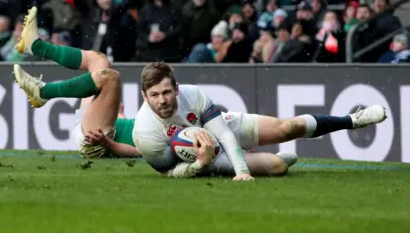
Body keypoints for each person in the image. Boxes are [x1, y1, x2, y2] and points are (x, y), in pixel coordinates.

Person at [133, 62, 387, 179]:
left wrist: (242, 172)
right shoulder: (145, 133)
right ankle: (274, 159)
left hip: (222, 131)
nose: (162, 100)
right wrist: (200, 164)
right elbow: (169, 173)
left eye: (166, 92)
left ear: (176, 89)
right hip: (206, 159)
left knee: (289, 127)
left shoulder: (193, 94)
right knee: (278, 167)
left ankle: (353, 119)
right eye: (154, 95)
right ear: (144, 96)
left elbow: (223, 133)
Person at [12, 7, 140, 158]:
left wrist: (110, 144)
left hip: (98, 141)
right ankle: (36, 46)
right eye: (156, 94)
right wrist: (119, 116)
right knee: (99, 59)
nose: (162, 99)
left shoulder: (168, 133)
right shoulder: (163, 120)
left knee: (111, 78)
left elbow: (144, 152)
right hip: (99, 126)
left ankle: (43, 92)